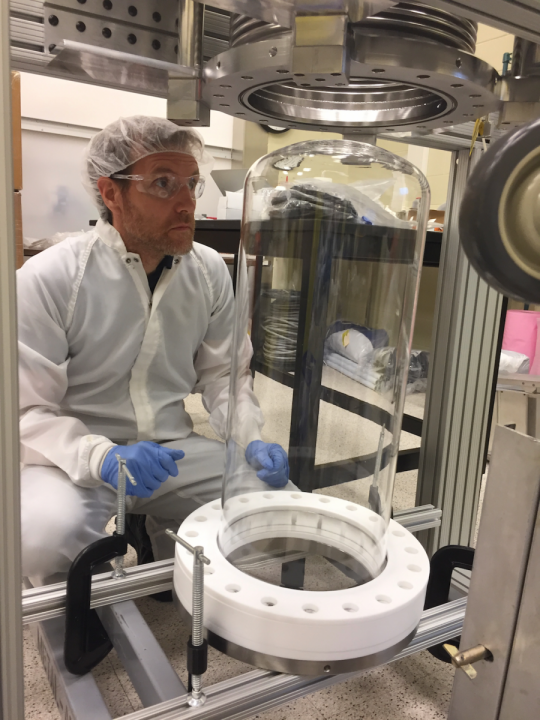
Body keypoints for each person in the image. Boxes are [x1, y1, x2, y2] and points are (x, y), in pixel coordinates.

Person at [18, 115, 291, 587]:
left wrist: (250, 437)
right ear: (111, 193)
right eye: (164, 184)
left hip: (170, 451)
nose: (187, 204)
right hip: (77, 456)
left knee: (279, 510)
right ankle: (79, 631)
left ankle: (170, 544)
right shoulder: (51, 278)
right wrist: (98, 455)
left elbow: (225, 378)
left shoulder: (207, 271)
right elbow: (22, 409)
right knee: (43, 537)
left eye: (192, 183)